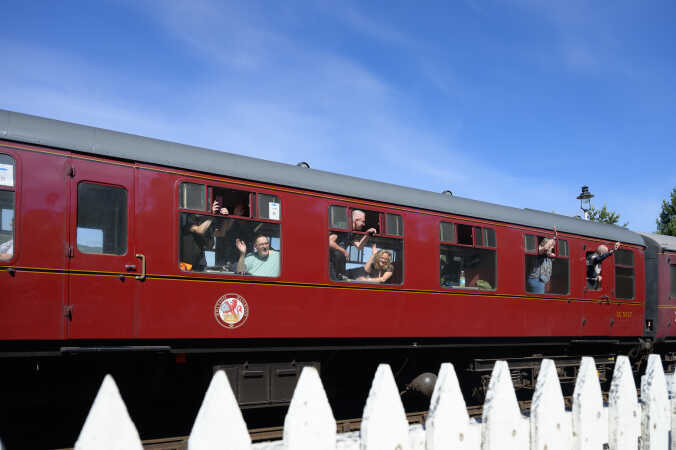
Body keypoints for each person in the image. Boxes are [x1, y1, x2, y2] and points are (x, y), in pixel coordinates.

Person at [329, 209, 376, 280]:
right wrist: (343, 251)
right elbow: (329, 242)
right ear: (356, 220)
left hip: (339, 266)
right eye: (363, 221)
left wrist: (367, 234)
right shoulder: (342, 227)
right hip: (330, 264)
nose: (364, 224)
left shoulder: (352, 233)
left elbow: (359, 246)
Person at [180, 201, 226, 271]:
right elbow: (199, 230)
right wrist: (212, 216)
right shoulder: (186, 220)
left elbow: (221, 233)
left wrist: (225, 218)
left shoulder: (205, 224)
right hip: (186, 265)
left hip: (199, 265)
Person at [214, 203, 253, 268]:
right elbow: (221, 233)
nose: (237, 210)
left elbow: (248, 233)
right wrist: (228, 217)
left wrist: (233, 217)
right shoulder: (229, 220)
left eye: (240, 209)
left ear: (243, 212)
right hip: (224, 256)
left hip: (240, 257)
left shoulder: (246, 223)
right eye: (236, 208)